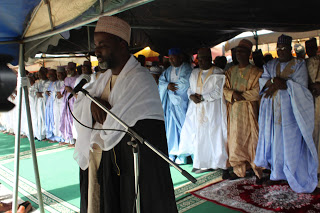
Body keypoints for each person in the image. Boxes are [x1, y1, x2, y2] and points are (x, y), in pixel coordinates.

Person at [73, 16, 177, 213]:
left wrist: (98, 109)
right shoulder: (103, 78)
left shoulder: (140, 79)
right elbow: (83, 104)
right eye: (96, 45)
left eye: (103, 45)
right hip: (103, 162)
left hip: (131, 164)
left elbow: (114, 121)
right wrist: (90, 106)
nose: (97, 51)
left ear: (121, 45)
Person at [255, 34, 318, 193]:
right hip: (273, 112)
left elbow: (302, 87)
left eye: (284, 49)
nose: (281, 51)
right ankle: (277, 174)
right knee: (275, 143)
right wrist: (274, 82)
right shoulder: (271, 63)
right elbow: (264, 80)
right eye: (279, 49)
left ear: (290, 49)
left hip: (291, 113)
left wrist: (283, 83)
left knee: (290, 143)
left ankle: (293, 174)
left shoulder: (299, 64)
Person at [179, 48, 228, 174]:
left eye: (203, 59)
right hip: (197, 109)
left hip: (213, 110)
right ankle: (201, 162)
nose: (200, 62)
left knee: (214, 134)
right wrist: (191, 95)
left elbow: (219, 92)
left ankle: (216, 162)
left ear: (209, 59)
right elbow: (190, 88)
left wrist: (203, 97)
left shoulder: (218, 72)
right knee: (199, 135)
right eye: (199, 59)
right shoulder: (195, 73)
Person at [223, 39, 263, 181]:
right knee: (235, 139)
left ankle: (257, 169)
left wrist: (240, 96)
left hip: (250, 111)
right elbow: (224, 89)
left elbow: (258, 91)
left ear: (249, 54)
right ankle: (238, 169)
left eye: (242, 51)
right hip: (234, 112)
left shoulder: (257, 72)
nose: (238, 54)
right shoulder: (230, 71)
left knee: (253, 139)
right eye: (237, 51)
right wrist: (232, 95)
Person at [158, 48, 192, 164]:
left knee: (184, 128)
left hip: (182, 105)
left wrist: (171, 88)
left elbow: (185, 83)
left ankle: (183, 154)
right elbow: (162, 82)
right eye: (170, 58)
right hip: (171, 106)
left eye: (173, 58)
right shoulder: (168, 70)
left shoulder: (187, 68)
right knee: (171, 129)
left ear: (180, 57)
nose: (171, 60)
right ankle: (172, 152)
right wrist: (167, 86)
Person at [306, 37, 320, 173]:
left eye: (312, 48)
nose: (310, 50)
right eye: (307, 48)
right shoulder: (303, 63)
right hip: (308, 102)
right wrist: (310, 87)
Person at [60, 62, 79, 146]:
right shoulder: (66, 79)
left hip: (75, 101)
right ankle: (69, 139)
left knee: (75, 119)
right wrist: (64, 89)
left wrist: (71, 90)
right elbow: (63, 89)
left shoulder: (78, 78)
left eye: (70, 70)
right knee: (67, 119)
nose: (68, 71)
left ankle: (77, 140)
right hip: (67, 102)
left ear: (74, 69)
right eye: (67, 70)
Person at [34, 67, 50, 140]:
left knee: (45, 118)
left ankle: (47, 134)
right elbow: (35, 91)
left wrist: (41, 94)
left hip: (45, 102)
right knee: (39, 117)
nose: (39, 76)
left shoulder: (49, 82)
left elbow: (47, 92)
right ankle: (40, 134)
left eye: (41, 74)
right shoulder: (38, 82)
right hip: (39, 102)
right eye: (39, 75)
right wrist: (38, 93)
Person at [45, 69, 60, 142]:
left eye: (51, 75)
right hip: (50, 104)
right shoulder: (50, 83)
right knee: (50, 119)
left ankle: (58, 137)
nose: (50, 77)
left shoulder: (58, 83)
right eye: (49, 76)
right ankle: (51, 135)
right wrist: (47, 93)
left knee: (56, 120)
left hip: (56, 104)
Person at [53, 66, 66, 142]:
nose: (58, 76)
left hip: (63, 103)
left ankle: (65, 137)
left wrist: (61, 93)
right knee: (57, 119)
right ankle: (59, 136)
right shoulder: (57, 83)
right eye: (57, 74)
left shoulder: (67, 81)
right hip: (57, 104)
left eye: (59, 74)